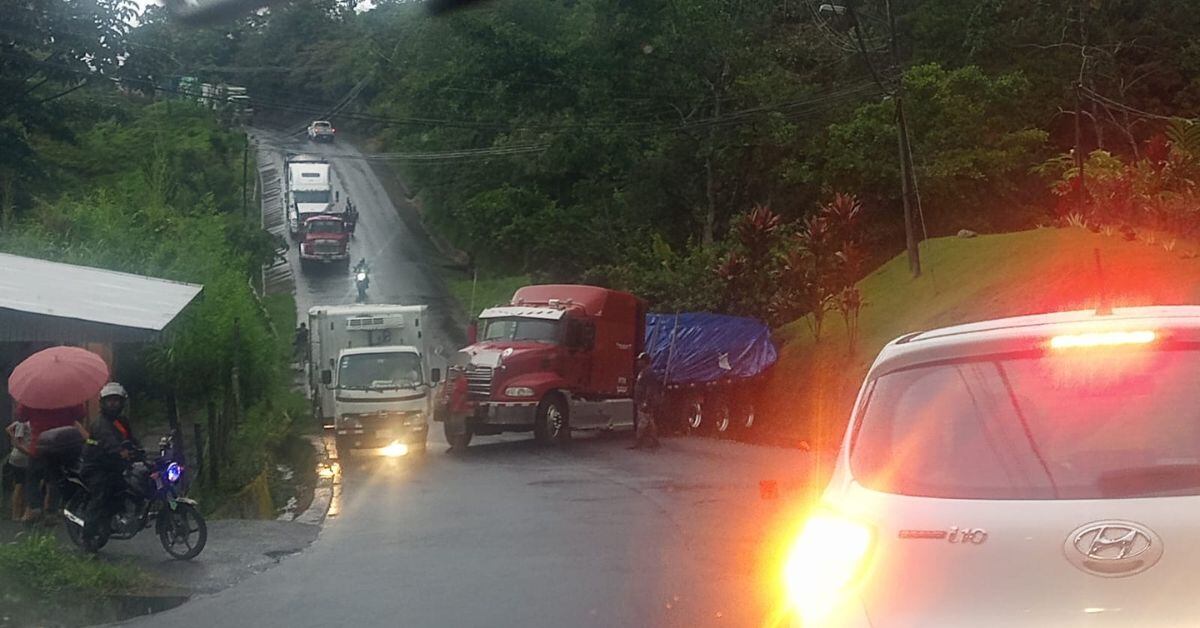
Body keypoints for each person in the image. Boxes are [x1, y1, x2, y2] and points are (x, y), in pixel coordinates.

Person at [80, 382, 139, 543]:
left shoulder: (121, 421)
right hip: (96, 467)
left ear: (122, 402)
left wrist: (140, 451)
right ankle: (87, 538)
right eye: (109, 401)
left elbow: (131, 439)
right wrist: (121, 452)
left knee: (129, 488)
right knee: (100, 497)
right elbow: (109, 442)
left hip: (113, 466)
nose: (113, 404)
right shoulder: (100, 423)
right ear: (103, 403)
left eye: (116, 400)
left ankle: (118, 518)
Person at [21, 402, 86, 523]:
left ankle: (35, 507)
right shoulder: (69, 395)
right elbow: (80, 415)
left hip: (38, 444)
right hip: (61, 444)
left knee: (32, 477)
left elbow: (21, 416)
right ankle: (51, 512)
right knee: (56, 479)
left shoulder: (32, 396)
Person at [630, 352, 661, 450]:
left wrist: (646, 402)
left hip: (645, 401)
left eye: (640, 360)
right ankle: (655, 441)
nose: (638, 362)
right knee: (650, 422)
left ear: (645, 361)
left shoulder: (649, 372)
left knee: (642, 422)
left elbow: (650, 389)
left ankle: (638, 443)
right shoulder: (644, 371)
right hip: (642, 400)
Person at [4, 419, 31, 520]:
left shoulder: (24, 421)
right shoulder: (23, 423)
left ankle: (21, 512)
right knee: (20, 485)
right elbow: (17, 442)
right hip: (21, 457)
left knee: (22, 485)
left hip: (24, 456)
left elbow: (8, 428)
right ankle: (15, 514)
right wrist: (29, 452)